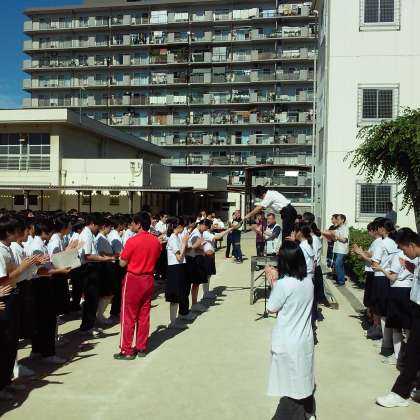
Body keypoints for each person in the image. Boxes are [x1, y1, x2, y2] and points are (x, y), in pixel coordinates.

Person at [266, 241, 315, 420]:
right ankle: (309, 413)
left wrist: (273, 282)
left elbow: (271, 307)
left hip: (288, 341)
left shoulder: (283, 284)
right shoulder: (308, 281)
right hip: (304, 338)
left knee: (290, 387)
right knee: (303, 379)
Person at [376, 228, 420, 408]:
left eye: (403, 249)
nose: (404, 253)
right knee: (414, 352)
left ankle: (400, 393)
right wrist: (412, 268)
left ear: (412, 245)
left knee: (413, 353)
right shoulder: (417, 260)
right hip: (415, 306)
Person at [115, 212, 161, 360]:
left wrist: (122, 256)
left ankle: (126, 350)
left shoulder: (132, 241)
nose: (131, 225)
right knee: (143, 315)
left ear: (139, 224)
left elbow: (122, 263)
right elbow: (156, 256)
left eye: (133, 223)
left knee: (128, 315)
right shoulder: (155, 241)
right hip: (148, 278)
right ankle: (141, 347)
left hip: (133, 278)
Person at [165, 217, 190, 329]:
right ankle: (172, 322)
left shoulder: (176, 236)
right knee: (174, 296)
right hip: (175, 267)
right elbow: (179, 256)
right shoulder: (172, 238)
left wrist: (184, 243)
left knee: (180, 293)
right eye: (182, 227)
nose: (183, 229)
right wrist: (184, 243)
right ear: (179, 226)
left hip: (179, 266)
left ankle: (176, 318)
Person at [330, 214, 349, 286]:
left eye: (338, 219)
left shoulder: (345, 228)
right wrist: (332, 235)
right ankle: (340, 280)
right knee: (340, 266)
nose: (336, 221)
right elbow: (335, 239)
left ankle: (341, 281)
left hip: (342, 250)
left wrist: (336, 236)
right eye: (336, 219)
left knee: (338, 265)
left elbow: (344, 240)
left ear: (342, 220)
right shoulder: (338, 228)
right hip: (337, 249)